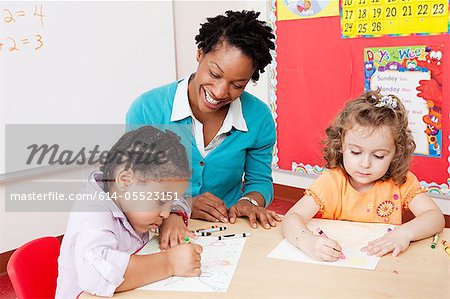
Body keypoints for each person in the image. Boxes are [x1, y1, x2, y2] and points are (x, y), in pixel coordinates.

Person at [127, 10, 281, 250]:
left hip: (229, 229)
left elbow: (259, 180)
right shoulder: (147, 109)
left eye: (237, 85)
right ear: (200, 54)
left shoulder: (258, 117)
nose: (220, 92)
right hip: (161, 228)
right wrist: (182, 206)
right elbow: (134, 187)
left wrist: (249, 201)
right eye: (214, 74)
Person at [282, 91, 445, 261]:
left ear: (396, 153)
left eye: (379, 156)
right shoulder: (331, 182)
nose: (365, 163)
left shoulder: (401, 182)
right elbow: (292, 218)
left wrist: (405, 233)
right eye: (356, 152)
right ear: (341, 146)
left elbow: (435, 217)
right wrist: (307, 242)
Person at [56, 126, 202, 298]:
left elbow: (180, 200)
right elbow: (96, 276)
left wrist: (175, 215)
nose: (165, 214)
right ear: (125, 181)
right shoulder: (92, 212)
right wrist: (169, 263)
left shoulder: (128, 200)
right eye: (162, 201)